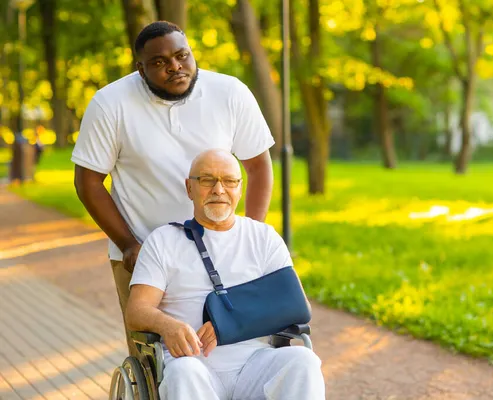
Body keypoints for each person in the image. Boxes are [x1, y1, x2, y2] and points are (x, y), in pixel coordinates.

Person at [71, 21, 275, 356]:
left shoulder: (230, 93)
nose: (175, 67)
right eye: (160, 62)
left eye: (182, 56)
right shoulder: (110, 104)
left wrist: (251, 233)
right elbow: (88, 181)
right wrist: (127, 244)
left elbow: (257, 165)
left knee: (235, 349)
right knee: (158, 356)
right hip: (147, 253)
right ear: (141, 68)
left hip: (223, 247)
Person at [126, 149, 325, 400]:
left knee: (303, 360)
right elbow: (136, 311)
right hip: (193, 364)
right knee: (183, 372)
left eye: (229, 181)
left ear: (239, 189)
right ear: (189, 188)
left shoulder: (264, 238)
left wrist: (227, 325)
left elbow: (296, 307)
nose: (219, 190)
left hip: (256, 362)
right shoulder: (163, 241)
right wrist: (168, 325)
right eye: (207, 180)